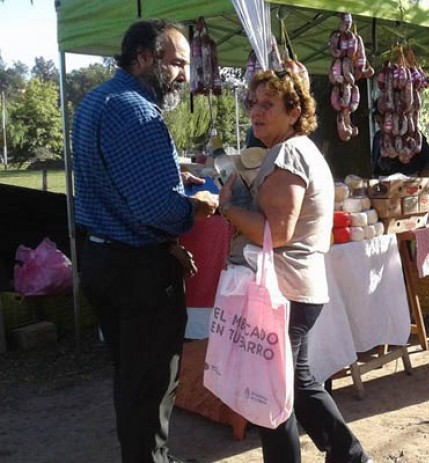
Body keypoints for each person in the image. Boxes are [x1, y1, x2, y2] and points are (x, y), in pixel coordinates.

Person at [73, 20, 218, 462]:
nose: (182, 76)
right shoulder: (137, 109)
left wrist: (173, 173)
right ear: (143, 59)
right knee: (151, 386)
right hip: (138, 274)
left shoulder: (95, 101)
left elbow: (113, 178)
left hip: (100, 260)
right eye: (175, 63)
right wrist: (198, 205)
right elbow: (157, 211)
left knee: (131, 380)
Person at [218, 69, 373, 463]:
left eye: (268, 104)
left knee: (271, 393)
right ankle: (349, 455)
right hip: (295, 287)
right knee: (297, 382)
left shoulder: (288, 153)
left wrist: (229, 209)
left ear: (294, 111)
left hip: (284, 289)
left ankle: (346, 455)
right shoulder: (295, 150)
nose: (256, 111)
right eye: (254, 102)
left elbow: (279, 232)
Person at [370, 103, 429, 177]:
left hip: (411, 181)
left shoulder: (413, 136)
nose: (382, 126)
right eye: (379, 122)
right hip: (387, 183)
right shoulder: (378, 137)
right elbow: (375, 169)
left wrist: (421, 176)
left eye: (386, 122)